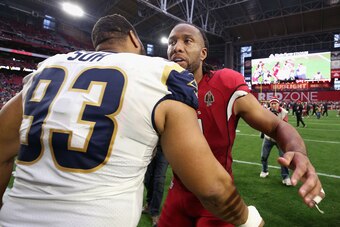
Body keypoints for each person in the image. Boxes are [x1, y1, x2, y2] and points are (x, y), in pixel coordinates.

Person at [0, 14, 264, 227]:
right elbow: (213, 188)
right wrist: (248, 219)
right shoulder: (160, 73)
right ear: (134, 39)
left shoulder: (50, 67)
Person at [158, 22, 324, 227]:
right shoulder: (158, 88)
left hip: (218, 195)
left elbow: (275, 126)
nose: (177, 47)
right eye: (172, 42)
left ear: (203, 53)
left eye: (187, 41)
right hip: (177, 194)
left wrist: (298, 151)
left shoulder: (224, 84)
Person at [259, 97, 292, 186]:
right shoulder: (266, 111)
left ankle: (285, 177)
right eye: (272, 103)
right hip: (268, 138)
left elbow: (284, 126)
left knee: (283, 158)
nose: (273, 105)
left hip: (279, 139)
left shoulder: (284, 112)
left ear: (278, 104)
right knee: (264, 156)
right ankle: (264, 170)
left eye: (275, 103)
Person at [142, 144, 168, 226]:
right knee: (147, 179)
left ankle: (154, 212)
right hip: (150, 147)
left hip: (164, 150)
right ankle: (149, 204)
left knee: (159, 181)